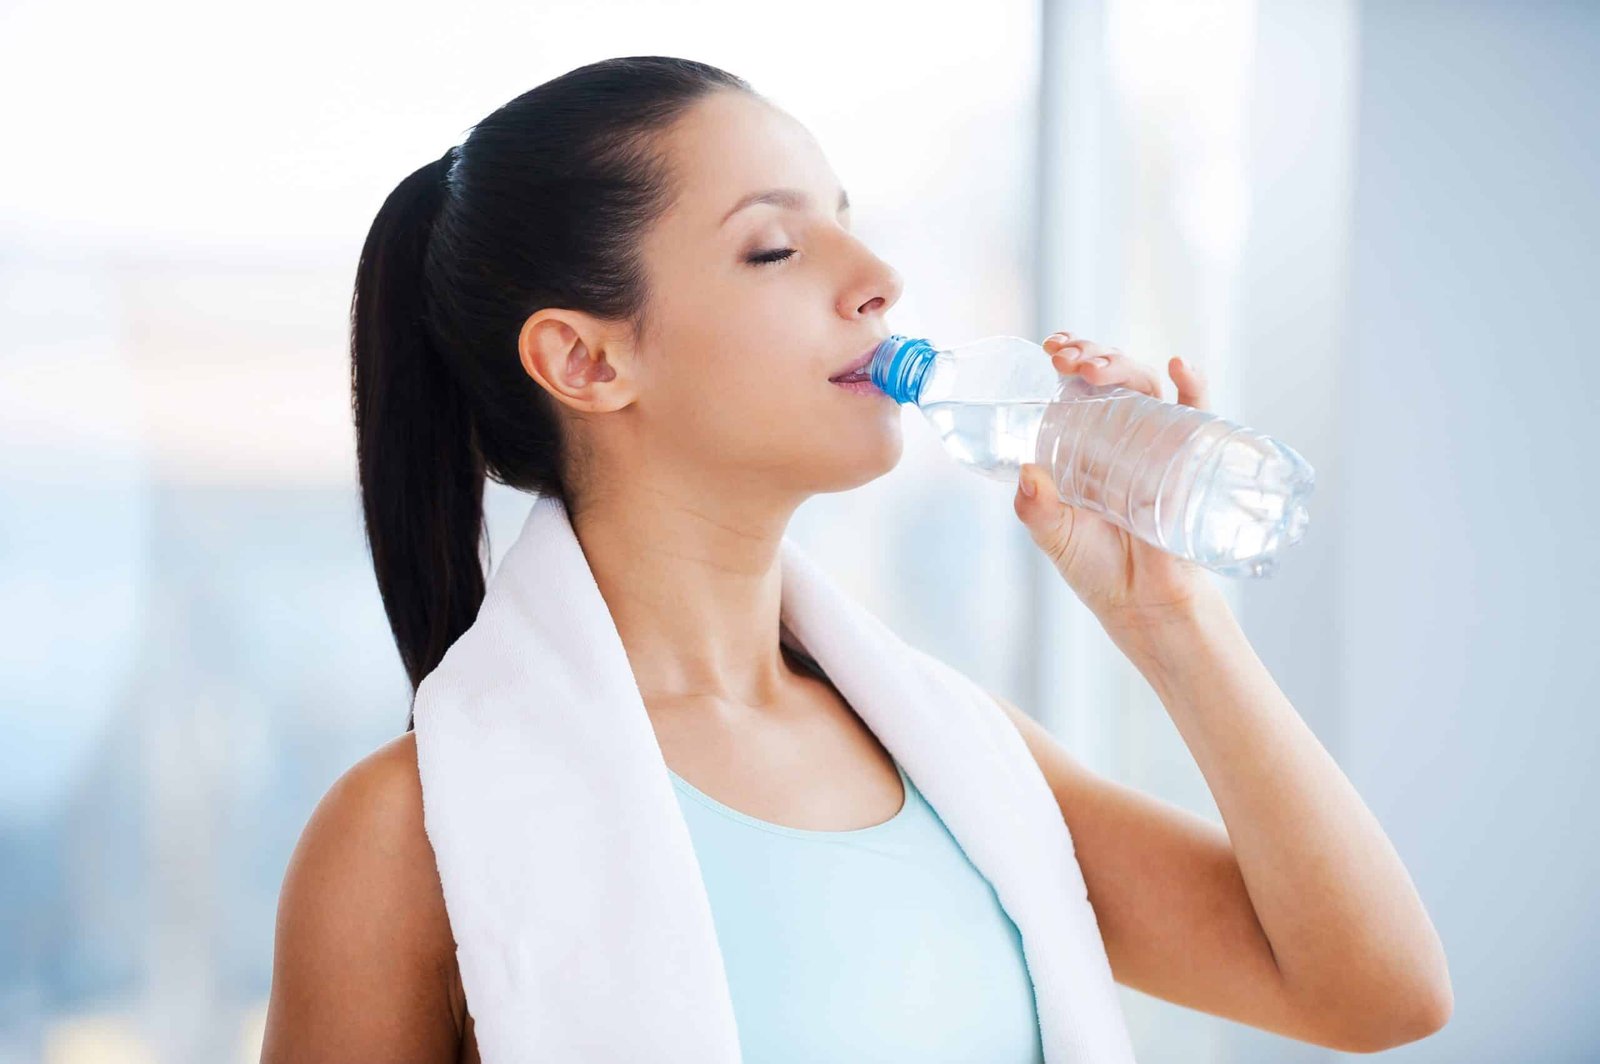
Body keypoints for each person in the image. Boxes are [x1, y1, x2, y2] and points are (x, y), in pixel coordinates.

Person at [260, 55, 1452, 1062]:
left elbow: (1375, 993)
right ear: (585, 361)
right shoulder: (402, 832)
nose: (876, 277)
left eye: (845, 215)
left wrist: (1173, 620)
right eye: (775, 247)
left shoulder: (962, 759)